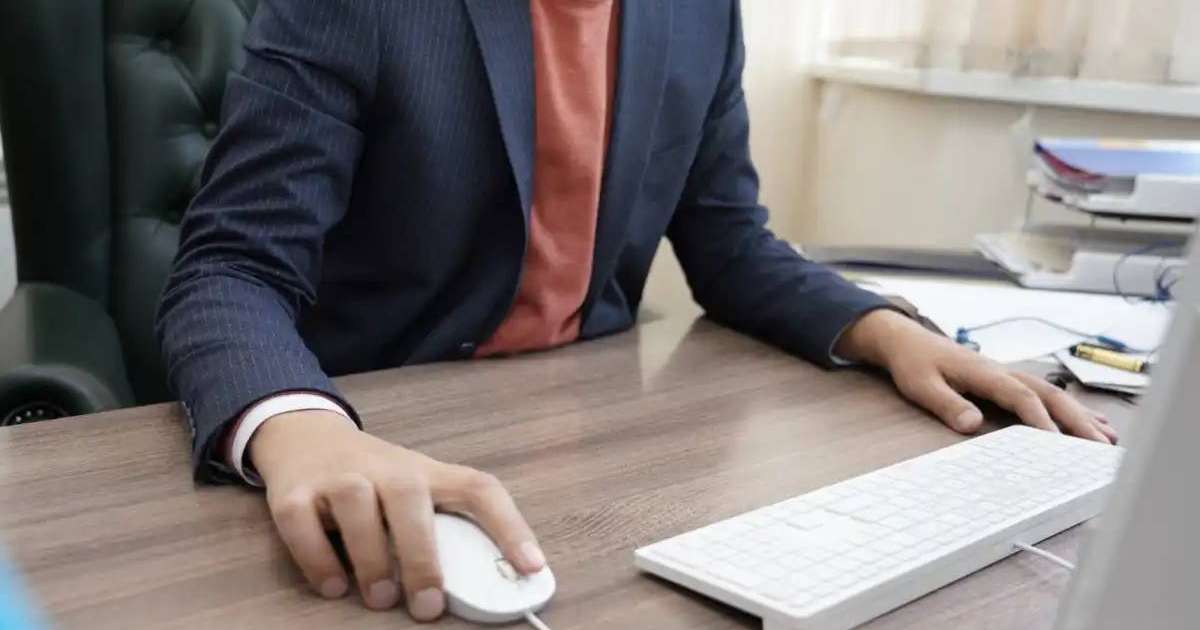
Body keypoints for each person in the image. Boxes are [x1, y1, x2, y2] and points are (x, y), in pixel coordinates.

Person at [156, 0, 1117, 622]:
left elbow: (731, 244)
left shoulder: (699, 13)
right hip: (388, 441)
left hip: (601, 450)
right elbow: (230, 266)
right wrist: (298, 427)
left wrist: (889, 334)